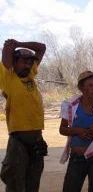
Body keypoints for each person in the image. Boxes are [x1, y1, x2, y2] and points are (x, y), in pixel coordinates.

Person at [0, 39, 47, 192]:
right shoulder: (9, 78)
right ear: (14, 63)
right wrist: (12, 46)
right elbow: (7, 52)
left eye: (30, 62)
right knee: (15, 184)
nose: (28, 65)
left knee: (33, 183)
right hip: (18, 142)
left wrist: (20, 43)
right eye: (23, 61)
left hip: (37, 139)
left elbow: (41, 47)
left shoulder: (30, 76)